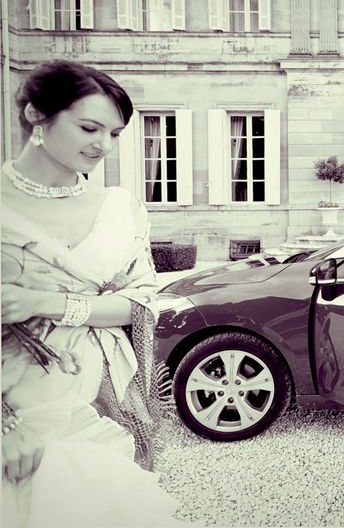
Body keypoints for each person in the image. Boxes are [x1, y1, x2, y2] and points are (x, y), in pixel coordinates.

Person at [1, 60, 181, 526]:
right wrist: (4, 429)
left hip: (108, 402)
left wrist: (47, 303)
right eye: (89, 127)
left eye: (115, 134)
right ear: (37, 115)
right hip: (23, 411)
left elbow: (140, 303)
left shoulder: (120, 208)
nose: (103, 145)